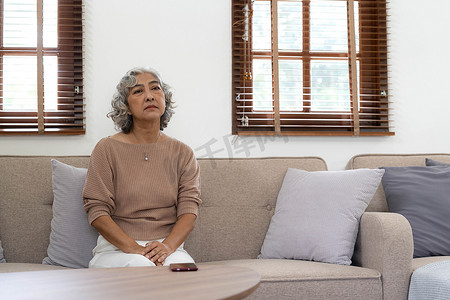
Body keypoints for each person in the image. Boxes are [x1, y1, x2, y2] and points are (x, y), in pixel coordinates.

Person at [83, 67, 201, 268]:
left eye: (155, 89)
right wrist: (134, 248)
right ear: (126, 106)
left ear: (165, 99)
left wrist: (166, 247)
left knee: (187, 273)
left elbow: (189, 211)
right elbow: (97, 211)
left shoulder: (183, 153)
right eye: (138, 91)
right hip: (117, 250)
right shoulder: (107, 149)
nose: (149, 96)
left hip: (168, 249)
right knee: (142, 267)